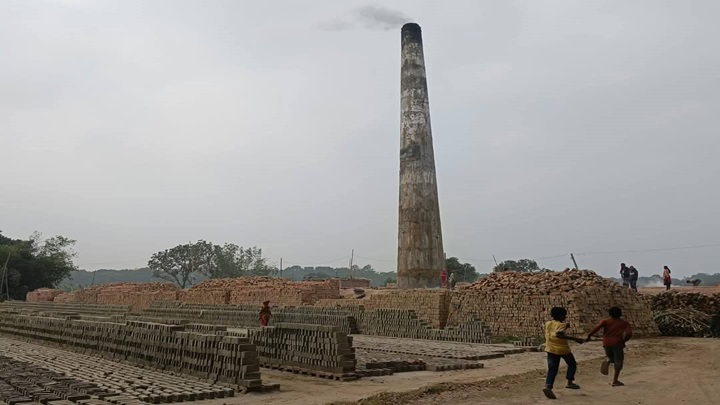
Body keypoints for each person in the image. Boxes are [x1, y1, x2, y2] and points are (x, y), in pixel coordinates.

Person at [542, 307, 584, 399]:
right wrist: (576, 339)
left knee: (552, 369)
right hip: (563, 350)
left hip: (550, 349)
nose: (565, 317)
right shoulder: (561, 325)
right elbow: (559, 334)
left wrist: (566, 326)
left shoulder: (548, 323)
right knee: (572, 364)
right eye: (564, 315)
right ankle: (570, 382)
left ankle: (548, 386)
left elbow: (552, 332)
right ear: (560, 316)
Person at [586, 307, 633, 387]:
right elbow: (629, 333)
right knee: (618, 361)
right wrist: (624, 340)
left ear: (610, 313)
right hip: (617, 343)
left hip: (606, 342)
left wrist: (589, 336)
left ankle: (608, 359)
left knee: (610, 356)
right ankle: (615, 380)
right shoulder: (624, 323)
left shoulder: (605, 321)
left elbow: (596, 328)